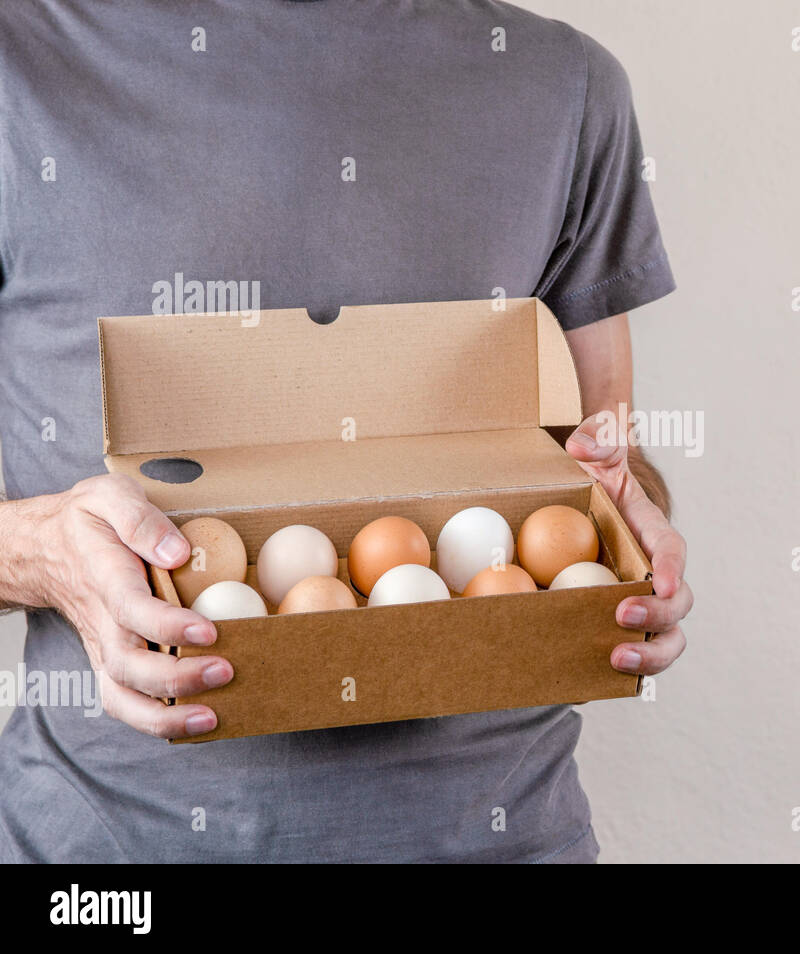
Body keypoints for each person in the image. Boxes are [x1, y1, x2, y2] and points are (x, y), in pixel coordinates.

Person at [0, 0, 691, 863]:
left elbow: (604, 472)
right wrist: (42, 552)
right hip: (107, 859)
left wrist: (635, 531)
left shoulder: (565, 86)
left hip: (499, 837)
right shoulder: (23, 59)